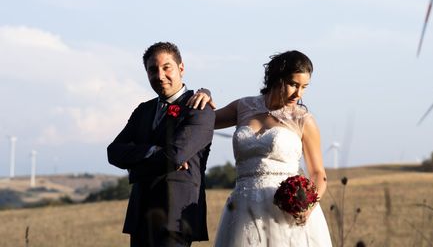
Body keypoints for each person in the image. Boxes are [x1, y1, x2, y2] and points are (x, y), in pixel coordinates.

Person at [191, 50, 332, 246]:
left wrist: (307, 206)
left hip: (285, 213)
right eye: (293, 84)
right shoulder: (243, 107)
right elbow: (203, 121)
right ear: (277, 78)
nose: (298, 94)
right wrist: (204, 94)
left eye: (304, 87)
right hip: (243, 208)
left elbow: (318, 173)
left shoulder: (303, 120)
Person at [108, 42, 216, 247]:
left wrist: (135, 163)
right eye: (152, 70)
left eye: (167, 67)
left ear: (181, 68)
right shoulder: (143, 110)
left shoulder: (199, 108)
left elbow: (175, 155)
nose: (159, 75)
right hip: (141, 214)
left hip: (175, 217)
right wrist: (152, 150)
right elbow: (113, 152)